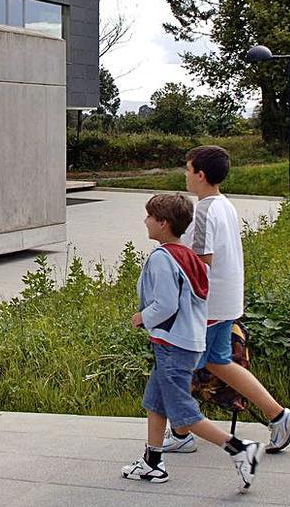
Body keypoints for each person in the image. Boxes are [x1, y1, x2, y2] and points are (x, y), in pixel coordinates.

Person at [162, 146, 290, 454]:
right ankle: (279, 416)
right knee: (219, 361)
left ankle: (182, 433)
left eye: (187, 170)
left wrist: (175, 300)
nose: (185, 175)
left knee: (177, 368)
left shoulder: (202, 211)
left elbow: (201, 261)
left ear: (200, 175)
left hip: (207, 305)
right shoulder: (224, 204)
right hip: (226, 302)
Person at [122, 193, 262, 492]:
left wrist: (142, 318)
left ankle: (239, 449)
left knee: (183, 411)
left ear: (163, 223)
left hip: (172, 343)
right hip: (187, 341)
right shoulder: (186, 255)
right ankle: (152, 462)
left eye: (149, 216)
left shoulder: (162, 258)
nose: (144, 221)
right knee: (156, 402)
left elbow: (166, 305)